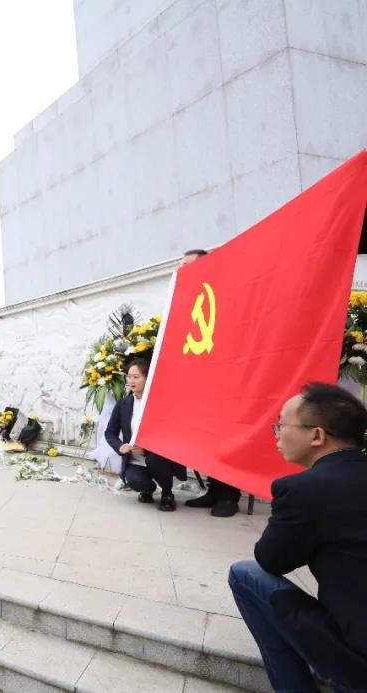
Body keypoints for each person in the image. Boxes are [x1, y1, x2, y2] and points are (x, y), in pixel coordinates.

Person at [228, 383, 367, 690]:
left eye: (281, 425)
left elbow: (271, 559)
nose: (276, 435)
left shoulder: (305, 489)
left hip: (358, 659)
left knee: (245, 574)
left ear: (317, 435)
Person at [180, 248, 244, 517]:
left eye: (187, 265)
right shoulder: (188, 297)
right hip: (201, 382)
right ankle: (214, 490)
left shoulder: (224, 293)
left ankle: (229, 496)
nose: (182, 270)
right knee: (207, 439)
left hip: (227, 382)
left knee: (225, 440)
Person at [104, 359, 179, 511]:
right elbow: (110, 432)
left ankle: (167, 494)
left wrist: (146, 450)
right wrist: (120, 447)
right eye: (129, 376)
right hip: (135, 459)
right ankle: (148, 487)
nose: (131, 381)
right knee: (135, 481)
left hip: (158, 457)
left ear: (147, 378)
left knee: (154, 460)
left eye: (136, 377)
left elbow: (169, 435)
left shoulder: (158, 403)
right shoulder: (123, 404)